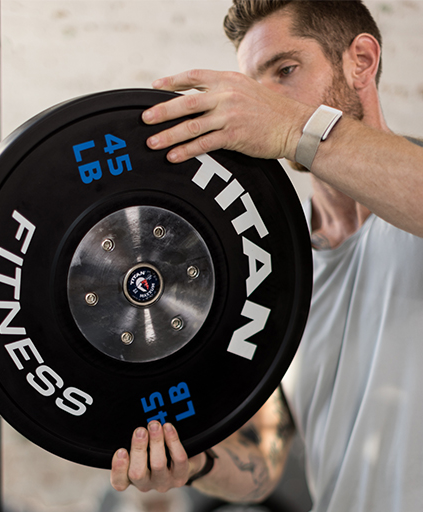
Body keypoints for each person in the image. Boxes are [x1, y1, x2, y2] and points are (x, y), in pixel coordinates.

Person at [110, 1, 423, 511]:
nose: (265, 99)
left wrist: (293, 128)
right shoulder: (272, 256)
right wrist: (198, 463)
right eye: (256, 84)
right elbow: (264, 463)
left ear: (361, 61)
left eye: (286, 70)